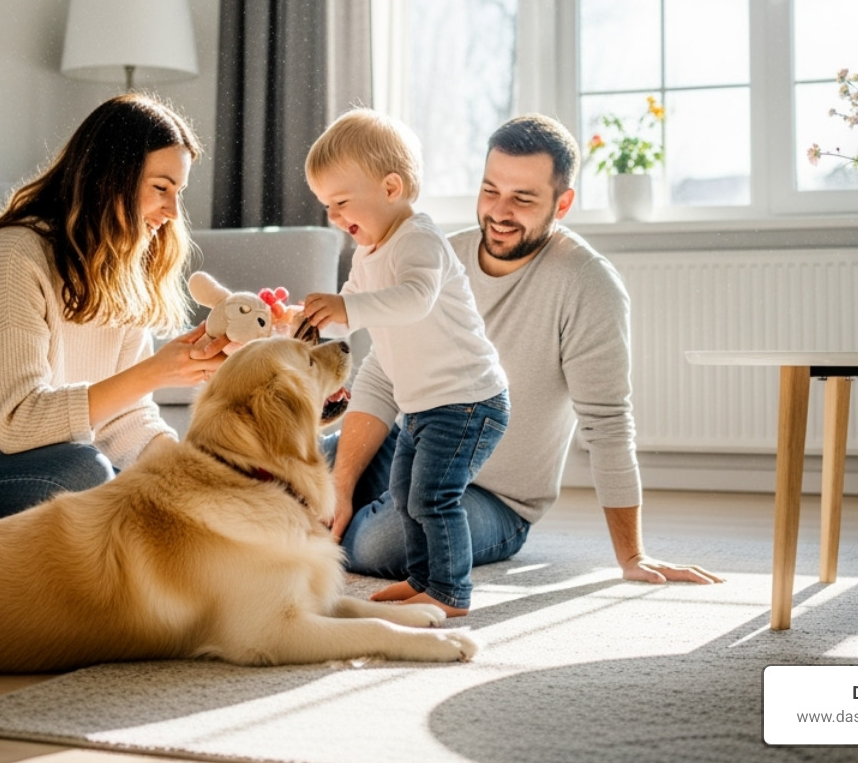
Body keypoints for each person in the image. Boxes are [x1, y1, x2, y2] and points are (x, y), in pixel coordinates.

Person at [326, 114, 720, 587]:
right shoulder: (435, 253)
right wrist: (341, 484)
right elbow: (381, 376)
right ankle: (318, 519)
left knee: (382, 544)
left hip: (495, 496)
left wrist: (632, 556)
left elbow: (608, 424)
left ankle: (308, 533)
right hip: (411, 444)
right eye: (491, 190)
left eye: (523, 198)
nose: (499, 211)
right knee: (272, 464)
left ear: (563, 203)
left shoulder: (588, 284)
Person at [0, 93, 230, 520]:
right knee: (84, 472)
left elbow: (124, 419)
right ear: (110, 176)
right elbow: (17, 423)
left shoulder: (122, 272)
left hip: (30, 471)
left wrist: (202, 476)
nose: (172, 211)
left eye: (178, 193)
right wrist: (156, 371)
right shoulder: (11, 256)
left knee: (159, 488)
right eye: (160, 188)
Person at [300, 109, 510, 617]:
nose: (333, 216)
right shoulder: (367, 250)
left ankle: (451, 592)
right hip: (422, 405)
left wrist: (347, 307)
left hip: (467, 402)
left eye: (341, 202)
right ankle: (424, 580)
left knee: (433, 498)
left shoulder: (419, 239)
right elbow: (347, 311)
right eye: (326, 205)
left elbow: (414, 298)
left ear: (391, 187)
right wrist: (305, 319)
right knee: (404, 493)